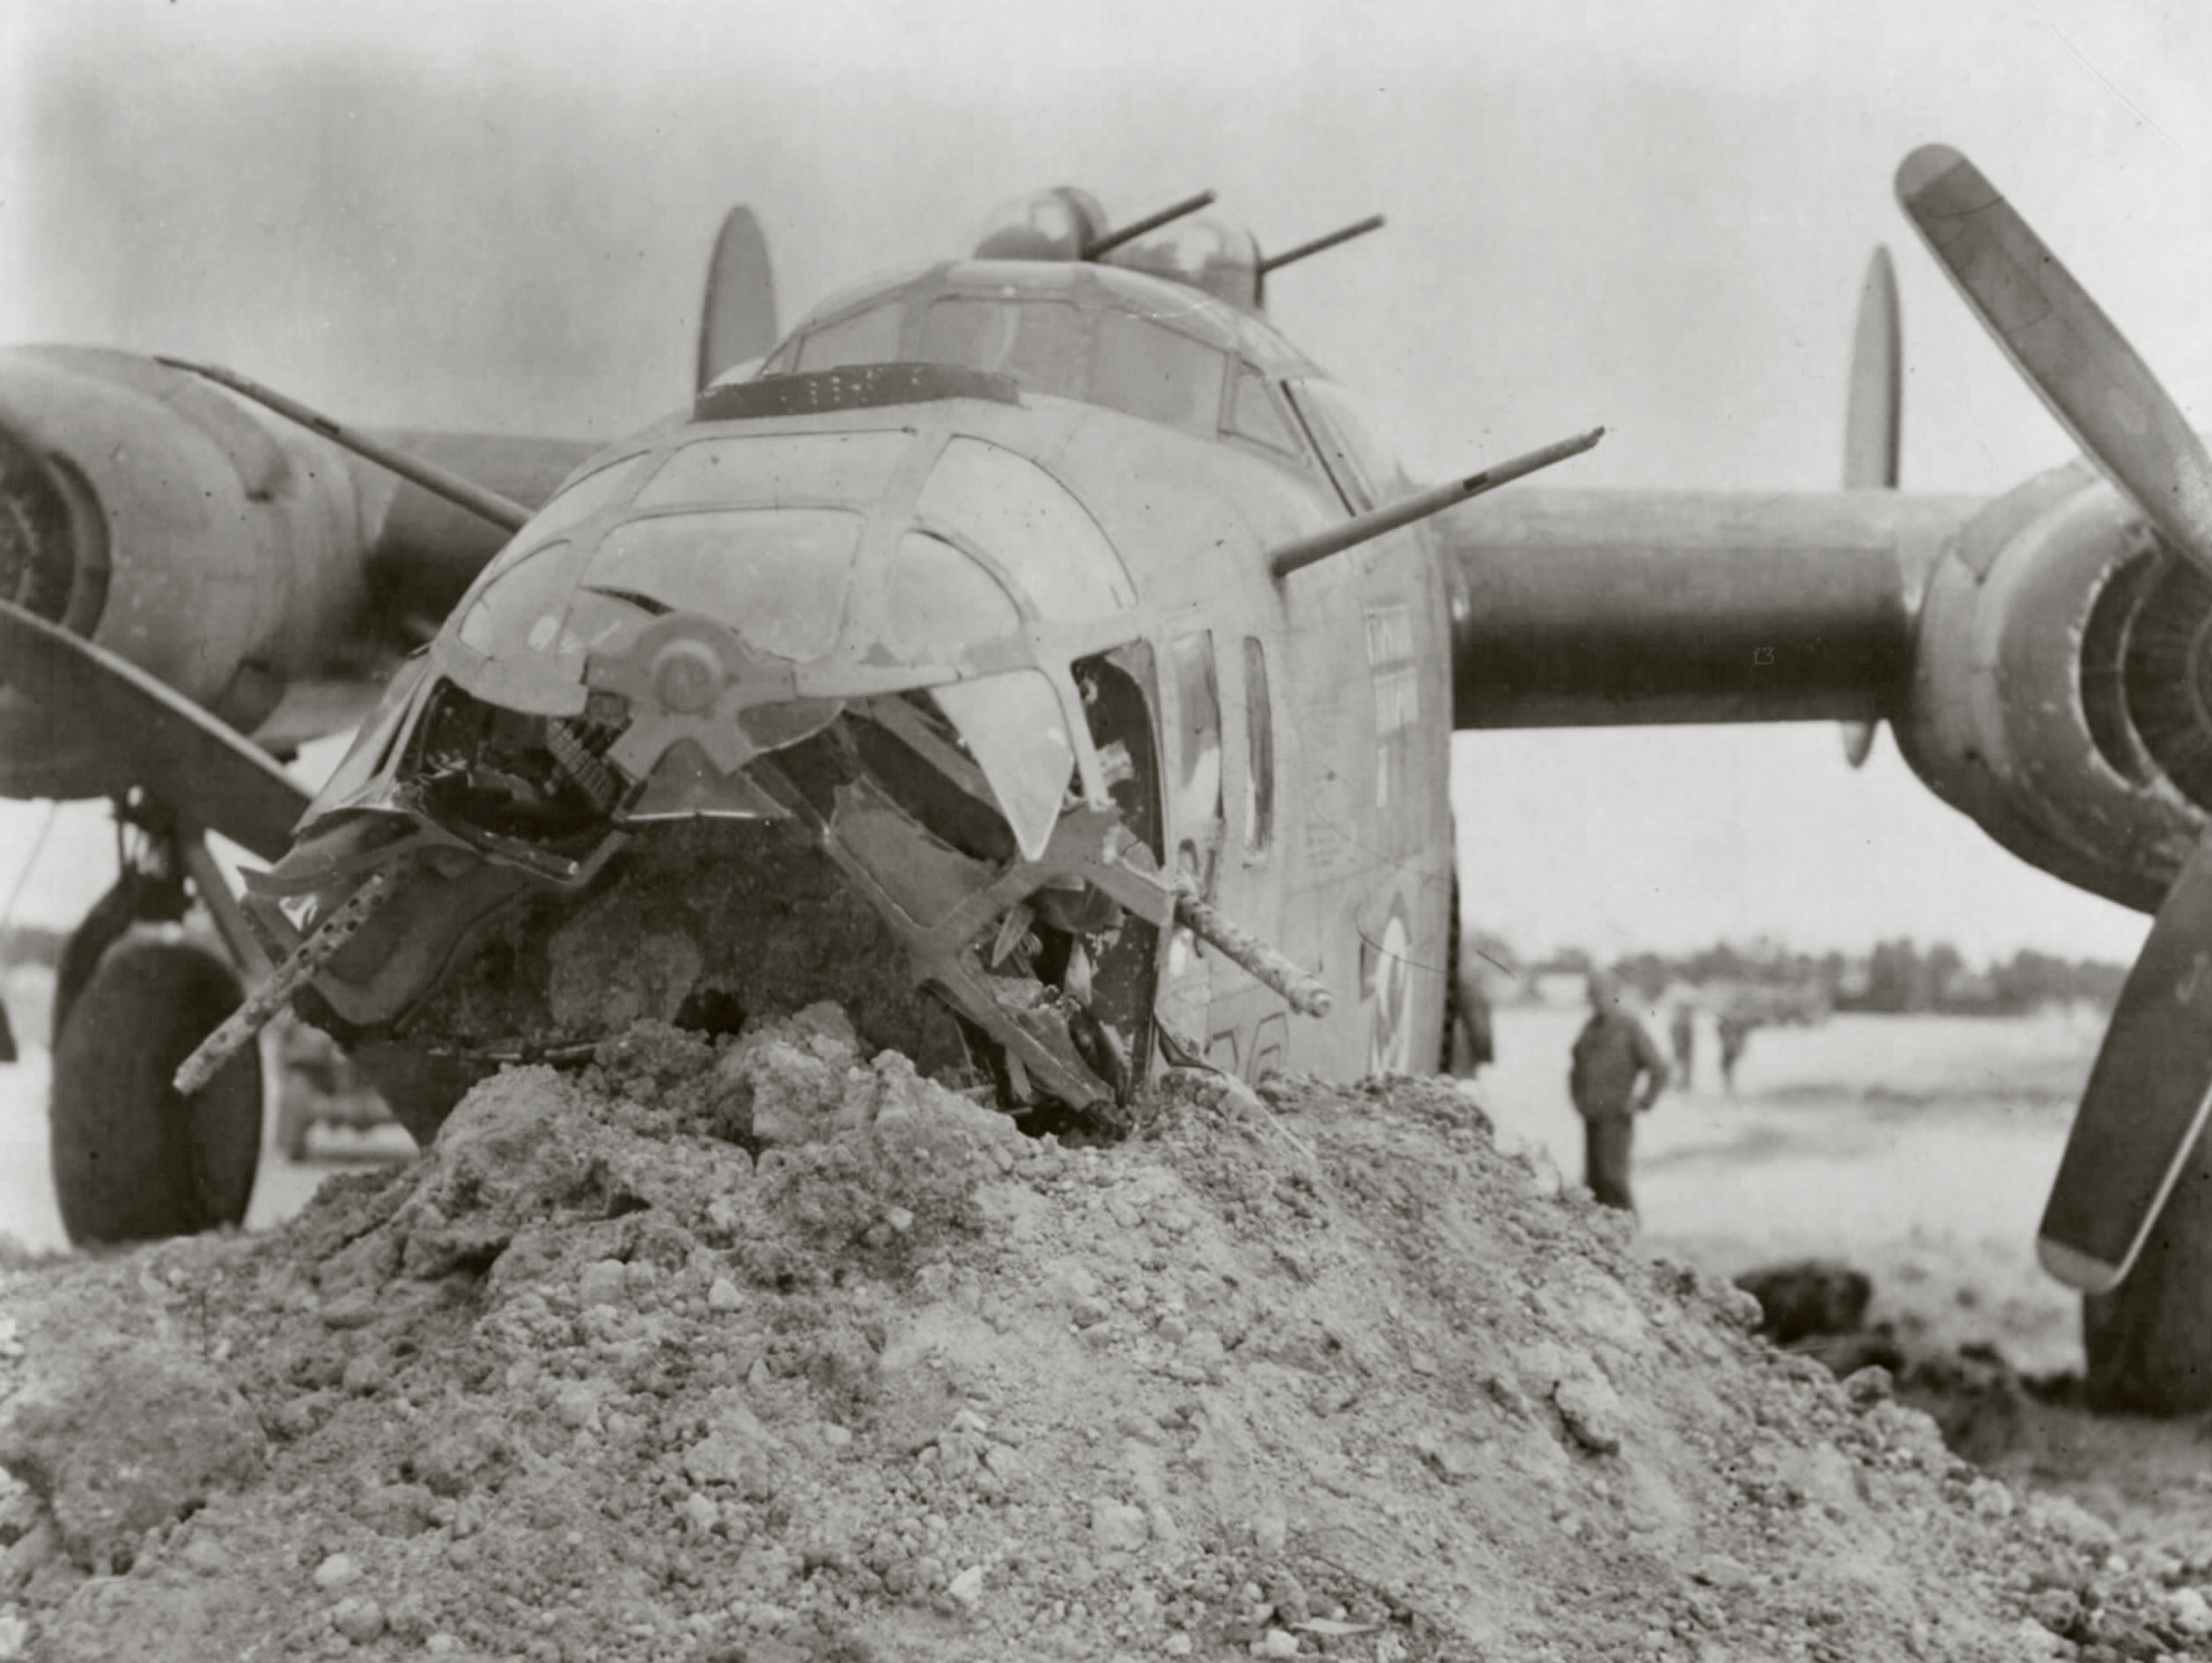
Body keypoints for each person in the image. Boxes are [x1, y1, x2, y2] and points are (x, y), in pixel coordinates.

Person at [1568, 972, 1668, 1210]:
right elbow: (1575, 1067)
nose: (1597, 999)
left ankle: (1628, 1228)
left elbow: (1659, 1069)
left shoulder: (1629, 1026)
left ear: (1615, 995)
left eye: (1602, 994)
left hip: (1616, 1117)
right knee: (1594, 1182)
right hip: (1592, 1116)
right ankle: (1602, 1232)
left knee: (1613, 1179)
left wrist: (1642, 1101)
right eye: (1593, 995)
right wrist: (1578, 1100)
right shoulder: (1589, 1028)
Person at [1717, 1010, 1755, 1093]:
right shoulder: (1725, 1025)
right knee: (1726, 1067)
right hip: (1728, 1048)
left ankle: (1730, 1086)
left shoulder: (1736, 1026)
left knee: (1728, 1067)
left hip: (1731, 1048)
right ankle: (1728, 1085)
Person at [1669, 1000, 1696, 1092]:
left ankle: (1684, 1084)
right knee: (1680, 1066)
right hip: (1680, 1048)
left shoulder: (1685, 1023)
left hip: (1685, 1048)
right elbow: (1676, 1037)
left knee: (1684, 1066)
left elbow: (1689, 1038)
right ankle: (1678, 1084)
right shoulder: (1678, 1023)